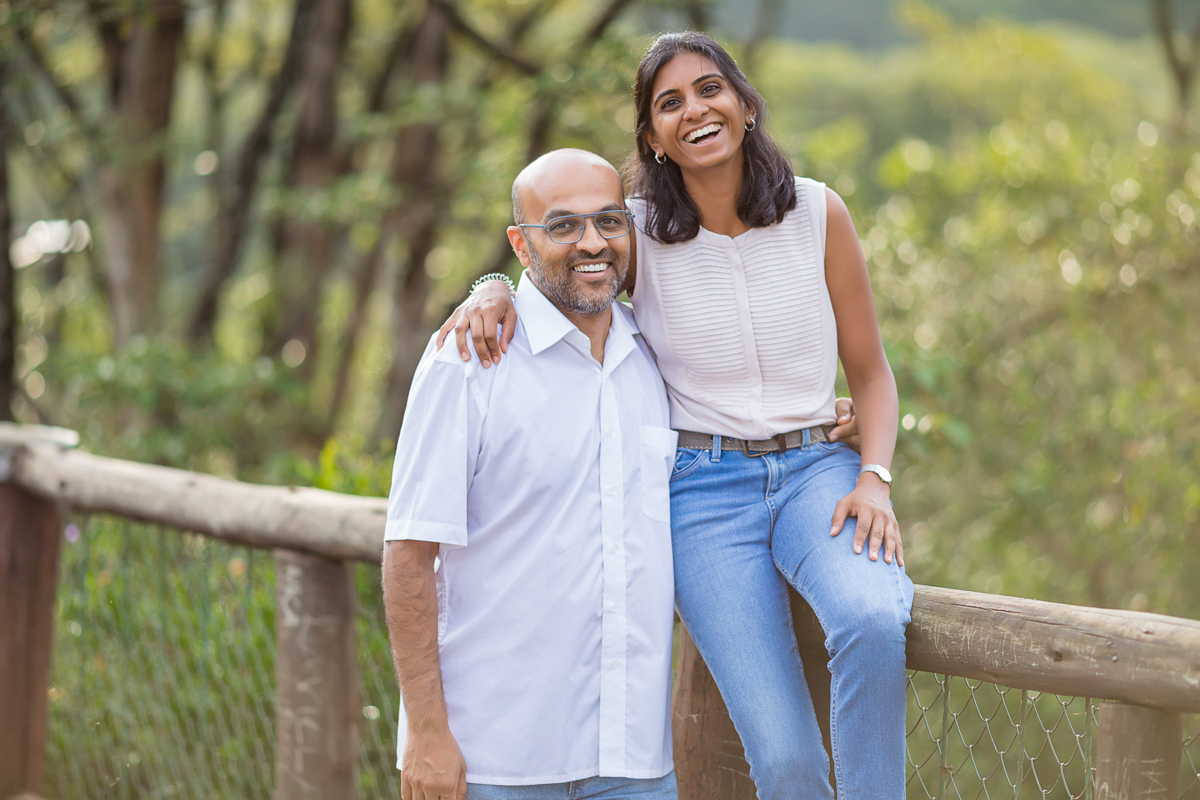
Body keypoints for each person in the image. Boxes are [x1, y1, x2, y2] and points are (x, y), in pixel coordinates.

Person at [438, 32, 913, 800]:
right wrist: (490, 283)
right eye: (670, 103)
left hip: (816, 474)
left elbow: (873, 374)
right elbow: (554, 262)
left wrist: (876, 477)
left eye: (709, 89)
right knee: (787, 762)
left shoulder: (817, 212)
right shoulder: (634, 230)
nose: (695, 109)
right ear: (653, 138)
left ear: (745, 105)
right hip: (701, 493)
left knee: (869, 618)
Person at [382, 148, 680, 800]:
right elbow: (408, 553)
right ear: (521, 244)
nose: (592, 242)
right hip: (495, 763)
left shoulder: (656, 357)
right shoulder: (466, 362)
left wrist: (836, 418)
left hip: (634, 761)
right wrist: (427, 734)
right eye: (563, 226)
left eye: (608, 221)